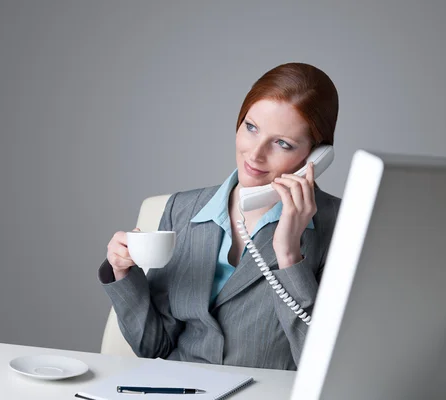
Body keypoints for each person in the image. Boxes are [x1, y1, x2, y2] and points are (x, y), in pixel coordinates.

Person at [98, 62, 341, 371]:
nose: (255, 154)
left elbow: (323, 366)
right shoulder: (183, 210)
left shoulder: (342, 226)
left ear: (315, 156)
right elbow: (153, 345)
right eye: (251, 128)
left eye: (282, 143)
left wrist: (290, 254)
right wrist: (122, 274)